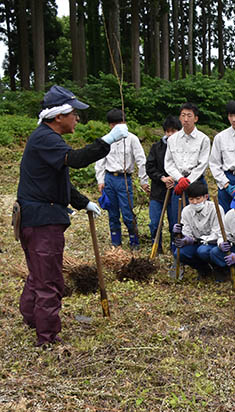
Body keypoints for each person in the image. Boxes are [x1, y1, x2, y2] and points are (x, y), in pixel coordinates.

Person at [16, 85, 127, 347]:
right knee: (49, 280)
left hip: (36, 217)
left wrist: (82, 202)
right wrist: (108, 140)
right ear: (58, 117)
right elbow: (75, 159)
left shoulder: (45, 138)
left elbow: (58, 179)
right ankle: (48, 338)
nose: (77, 118)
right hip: (42, 221)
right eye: (73, 114)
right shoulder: (46, 138)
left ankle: (32, 317)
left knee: (37, 273)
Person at [94, 108, 149, 248]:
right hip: (109, 178)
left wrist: (144, 180)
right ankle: (116, 243)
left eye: (118, 123)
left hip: (124, 179)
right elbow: (100, 161)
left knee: (127, 212)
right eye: (112, 125)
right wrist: (100, 180)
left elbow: (141, 160)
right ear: (109, 125)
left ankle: (134, 241)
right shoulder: (106, 139)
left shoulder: (131, 139)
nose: (115, 127)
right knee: (112, 213)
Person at [164, 102, 211, 252]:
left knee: (201, 216)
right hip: (178, 183)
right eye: (183, 115)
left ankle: (202, 250)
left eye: (189, 116)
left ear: (195, 118)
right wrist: (180, 179)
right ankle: (177, 254)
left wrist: (189, 180)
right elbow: (168, 163)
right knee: (176, 219)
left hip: (196, 182)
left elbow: (203, 163)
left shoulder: (203, 139)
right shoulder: (172, 139)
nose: (185, 119)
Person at [172, 181, 221, 280]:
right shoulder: (186, 211)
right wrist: (182, 236)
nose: (194, 202)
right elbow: (187, 232)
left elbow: (217, 234)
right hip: (196, 243)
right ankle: (203, 269)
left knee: (202, 251)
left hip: (212, 244)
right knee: (180, 253)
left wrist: (197, 240)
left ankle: (219, 269)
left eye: (198, 199)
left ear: (206, 197)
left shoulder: (215, 209)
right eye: (191, 199)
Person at [147, 115, 181, 255]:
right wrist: (162, 178)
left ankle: (175, 250)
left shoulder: (182, 148)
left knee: (175, 223)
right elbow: (150, 167)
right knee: (155, 223)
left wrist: (174, 178)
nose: (170, 134)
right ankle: (157, 248)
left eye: (173, 131)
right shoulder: (157, 147)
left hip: (176, 191)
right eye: (167, 131)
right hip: (157, 192)